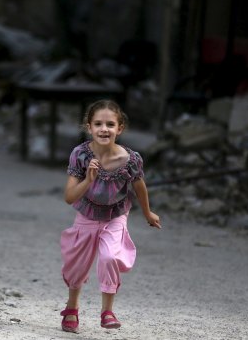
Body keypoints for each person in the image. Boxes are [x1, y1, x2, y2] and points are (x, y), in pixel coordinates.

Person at [59, 99, 161, 333]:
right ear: (89, 127)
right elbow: (69, 197)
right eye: (98, 124)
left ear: (120, 128)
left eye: (110, 124)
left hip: (116, 216)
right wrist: (88, 180)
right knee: (77, 266)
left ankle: (107, 311)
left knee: (109, 257)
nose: (104, 129)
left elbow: (140, 187)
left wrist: (147, 212)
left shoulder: (131, 159)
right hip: (87, 215)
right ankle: (72, 309)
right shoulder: (81, 155)